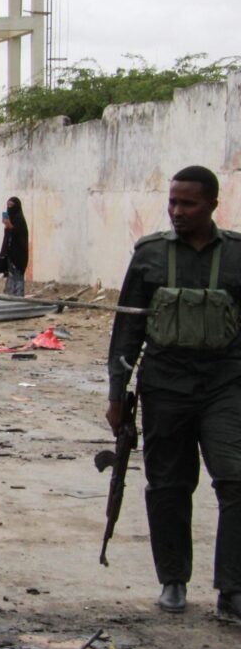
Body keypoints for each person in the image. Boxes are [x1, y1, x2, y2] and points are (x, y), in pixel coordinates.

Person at [106, 165, 241, 623]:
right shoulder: (150, 256)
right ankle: (173, 580)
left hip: (225, 384)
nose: (178, 212)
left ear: (212, 205)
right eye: (173, 203)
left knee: (235, 480)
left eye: (189, 204)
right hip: (165, 386)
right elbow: (127, 329)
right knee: (168, 484)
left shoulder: (238, 256)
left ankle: (232, 589)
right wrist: (116, 393)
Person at [0, 197, 29, 296]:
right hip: (11, 254)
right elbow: (8, 235)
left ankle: (18, 297)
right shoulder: (12, 218)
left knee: (17, 276)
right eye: (8, 205)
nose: (9, 208)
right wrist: (7, 225)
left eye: (11, 205)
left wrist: (9, 225)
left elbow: (18, 234)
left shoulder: (19, 219)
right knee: (10, 276)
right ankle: (10, 296)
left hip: (19, 255)